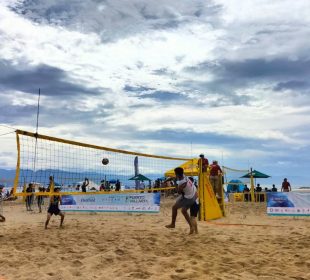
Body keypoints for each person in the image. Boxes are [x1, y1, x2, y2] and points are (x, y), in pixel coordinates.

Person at [165, 167, 197, 234]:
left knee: (174, 208)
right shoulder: (184, 175)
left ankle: (173, 224)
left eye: (175, 174)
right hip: (194, 193)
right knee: (183, 210)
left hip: (189, 198)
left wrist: (174, 183)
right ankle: (192, 227)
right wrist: (167, 180)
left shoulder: (182, 183)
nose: (175, 175)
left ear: (177, 174)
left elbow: (178, 192)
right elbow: (175, 177)